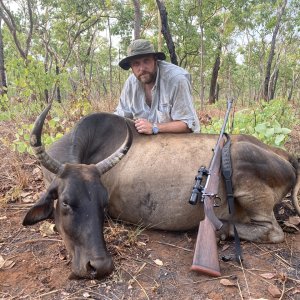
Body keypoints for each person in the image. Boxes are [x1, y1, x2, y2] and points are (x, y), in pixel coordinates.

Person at [115, 39, 200, 135]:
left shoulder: (176, 80)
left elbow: (187, 125)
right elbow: (120, 116)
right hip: (149, 143)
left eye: (146, 61)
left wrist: (154, 127)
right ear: (131, 67)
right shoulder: (130, 84)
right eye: (136, 64)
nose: (142, 69)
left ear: (155, 60)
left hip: (181, 141)